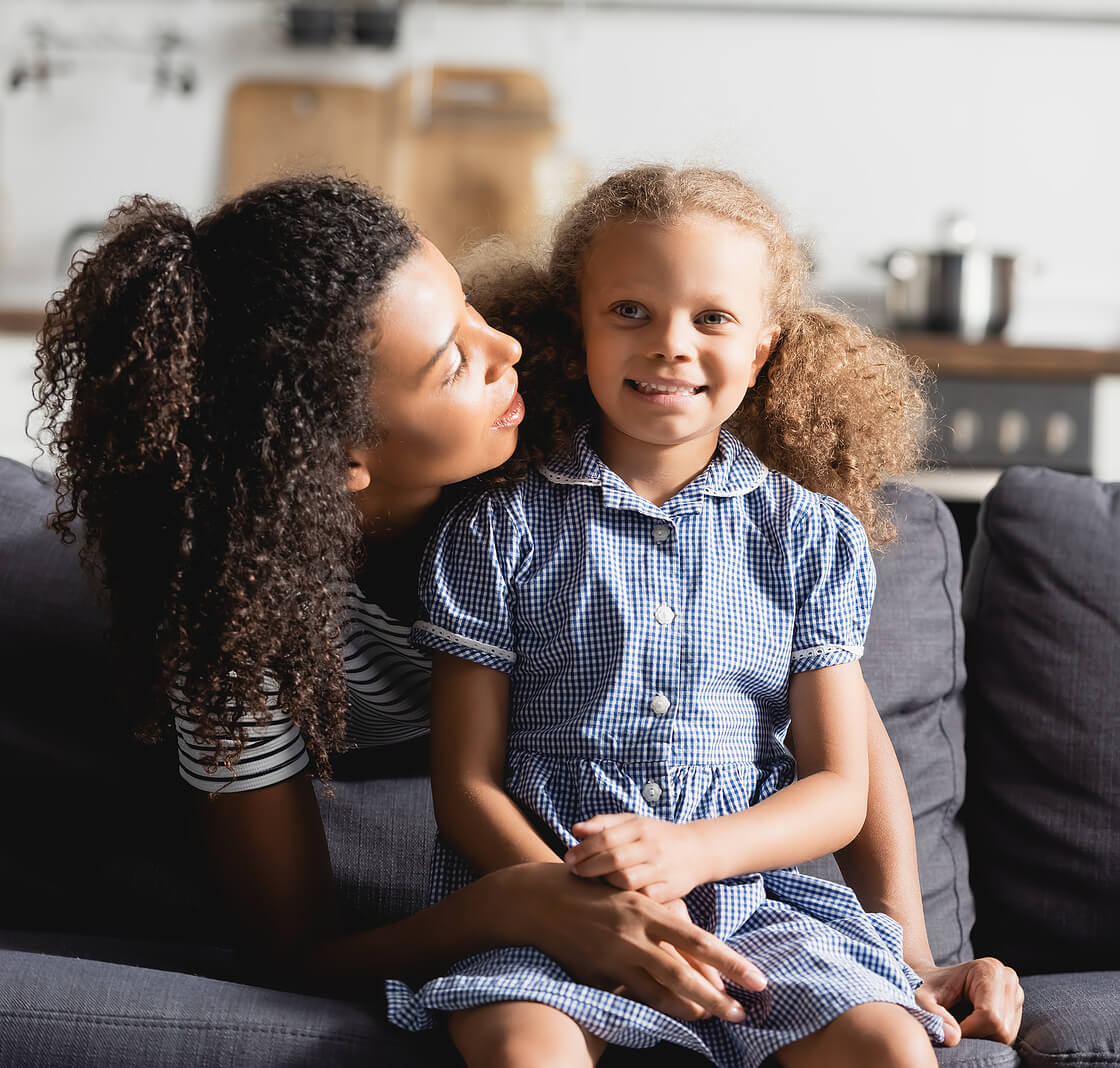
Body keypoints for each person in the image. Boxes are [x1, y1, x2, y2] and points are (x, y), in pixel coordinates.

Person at [32, 174, 1022, 1044]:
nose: (508, 343)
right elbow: (292, 947)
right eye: (452, 362)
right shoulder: (234, 640)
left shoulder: (559, 454)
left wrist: (908, 951)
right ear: (342, 460)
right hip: (505, 849)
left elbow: (818, 706)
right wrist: (524, 907)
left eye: (468, 308)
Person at [384, 165, 983, 1068]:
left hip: (751, 910)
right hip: (548, 907)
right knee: (521, 1049)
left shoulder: (810, 537)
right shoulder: (495, 529)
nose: (669, 345)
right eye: (630, 311)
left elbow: (839, 791)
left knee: (891, 1047)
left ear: (763, 350)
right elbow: (466, 785)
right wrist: (577, 903)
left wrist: (694, 855)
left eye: (712, 318)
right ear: (578, 330)